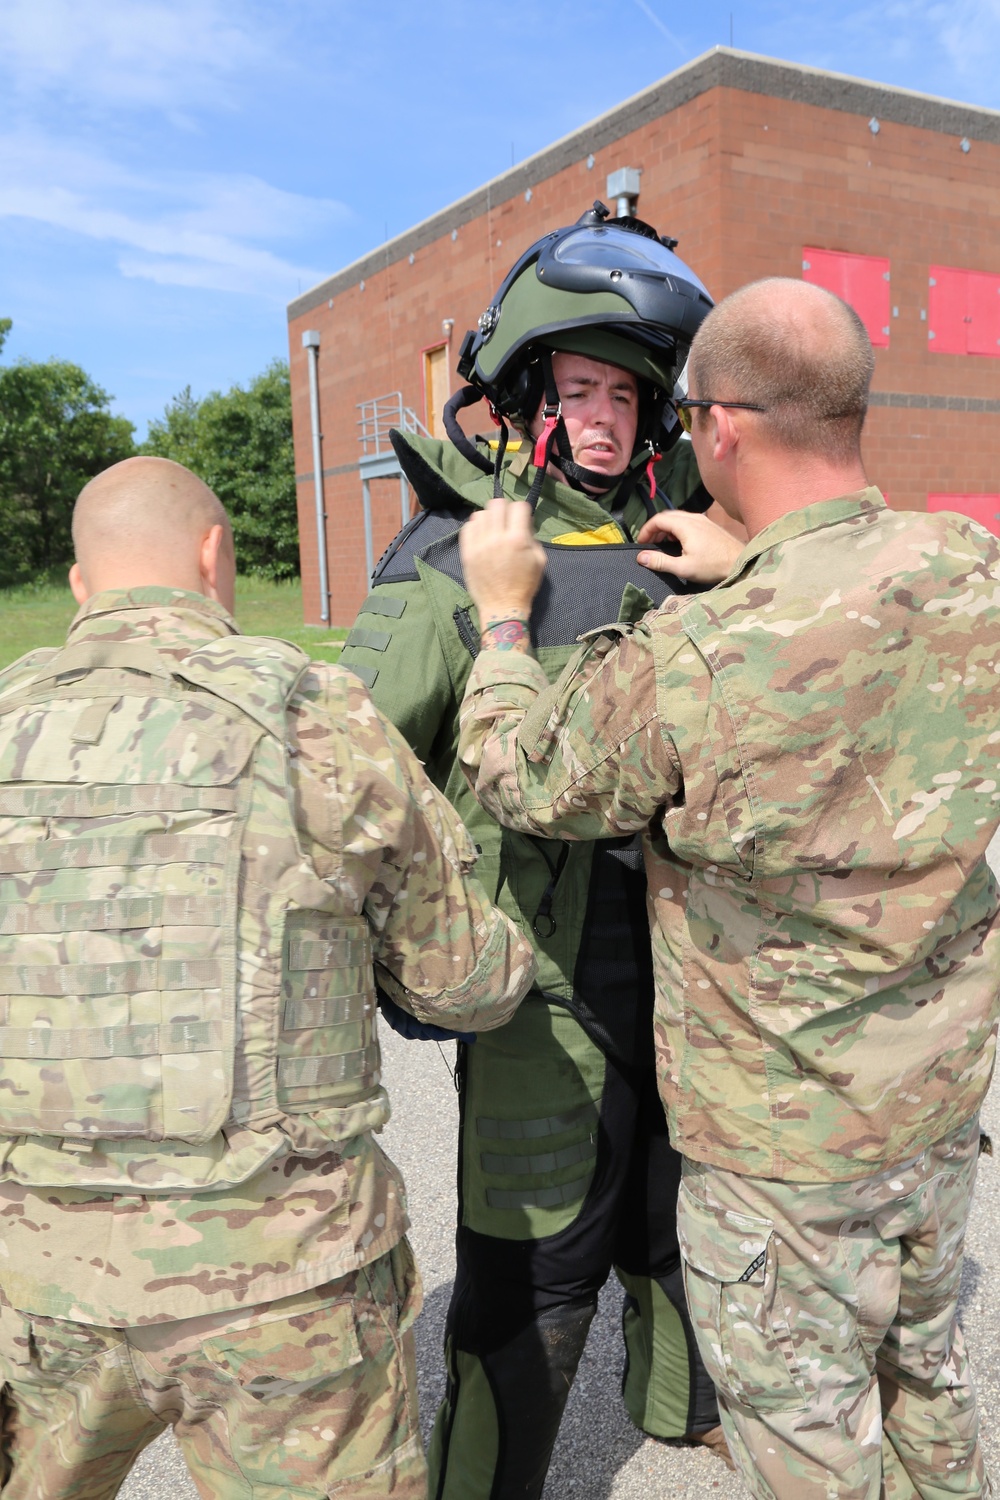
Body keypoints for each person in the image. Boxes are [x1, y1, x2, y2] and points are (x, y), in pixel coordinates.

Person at [455, 277, 1000, 1499]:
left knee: (810, 1448)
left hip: (782, 1153)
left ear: (720, 430)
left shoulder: (698, 654)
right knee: (926, 1390)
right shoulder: (967, 565)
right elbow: (852, 627)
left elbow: (522, 777)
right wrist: (755, 557)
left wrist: (500, 622)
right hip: (932, 1114)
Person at [0, 455, 536, 1500]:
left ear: (77, 584)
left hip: (34, 1282)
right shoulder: (310, 715)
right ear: (214, 558)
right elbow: (468, 983)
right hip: (284, 1292)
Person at [340, 202, 738, 1500]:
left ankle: (676, 1409)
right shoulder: (467, 554)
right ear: (532, 396)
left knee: (670, 1232)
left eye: (629, 393)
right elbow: (343, 755)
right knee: (528, 1279)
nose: (609, 417)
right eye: (581, 388)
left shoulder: (708, 549)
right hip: (540, 999)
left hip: (692, 980)